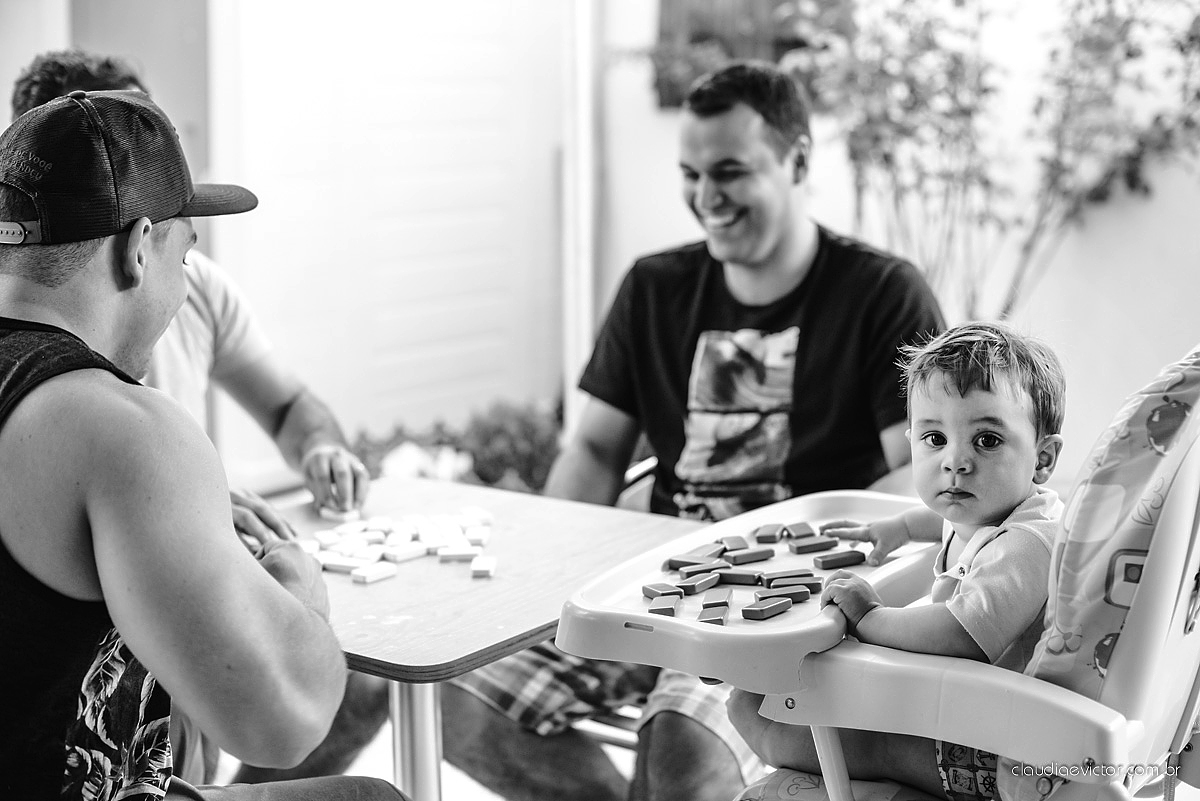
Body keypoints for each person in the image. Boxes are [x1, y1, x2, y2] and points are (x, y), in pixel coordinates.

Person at [439, 61, 948, 801]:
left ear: (799, 160)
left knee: (681, 749)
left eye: (730, 171)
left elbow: (914, 476)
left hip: (779, 616)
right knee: (464, 698)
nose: (706, 197)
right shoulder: (655, 287)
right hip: (652, 589)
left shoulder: (882, 294)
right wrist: (548, 579)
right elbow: (592, 450)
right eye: (691, 172)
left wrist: (828, 579)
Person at [0, 90, 403, 800]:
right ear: (138, 248)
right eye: (184, 258)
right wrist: (299, 588)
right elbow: (287, 719)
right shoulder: (120, 427)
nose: (186, 285)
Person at [12, 48, 370, 544]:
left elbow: (288, 407)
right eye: (119, 154)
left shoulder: (201, 287)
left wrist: (318, 447)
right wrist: (173, 502)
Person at [728, 321, 1067, 801]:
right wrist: (904, 527)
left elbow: (960, 635)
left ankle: (793, 750)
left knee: (787, 726)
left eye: (987, 440)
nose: (955, 461)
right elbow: (951, 525)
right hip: (980, 718)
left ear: (1043, 459)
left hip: (1004, 755)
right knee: (758, 704)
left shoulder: (1029, 542)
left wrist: (869, 617)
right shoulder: (992, 505)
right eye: (934, 439)